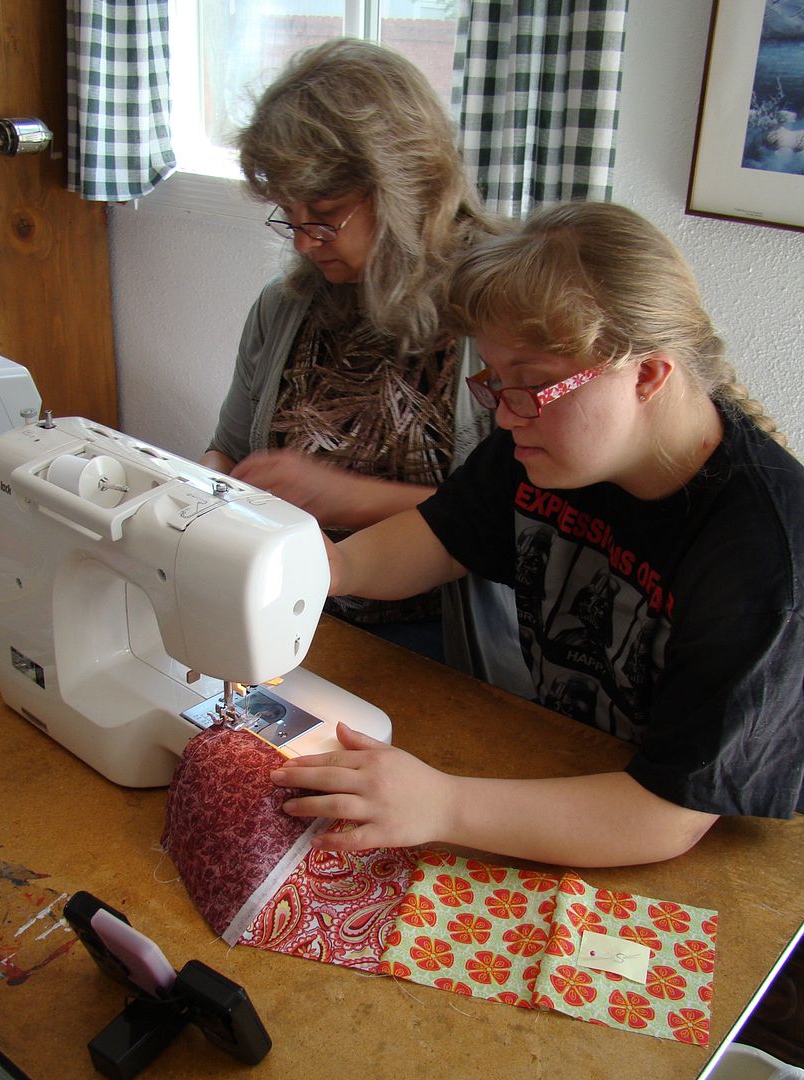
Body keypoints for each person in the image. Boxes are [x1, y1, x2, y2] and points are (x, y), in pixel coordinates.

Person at [267, 201, 804, 868]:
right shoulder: (548, 445)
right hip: (583, 775)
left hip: (716, 855)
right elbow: (441, 536)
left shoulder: (764, 558)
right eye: (495, 379)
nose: (507, 411)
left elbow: (667, 815)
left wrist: (442, 804)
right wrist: (331, 569)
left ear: (647, 374)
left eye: (533, 385)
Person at [202, 38, 521, 677]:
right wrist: (210, 491)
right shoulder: (284, 305)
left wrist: (343, 498)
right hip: (293, 612)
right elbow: (228, 447)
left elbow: (518, 524)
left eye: (322, 217)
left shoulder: (497, 315)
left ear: (405, 187)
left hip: (435, 639)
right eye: (287, 218)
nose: (303, 242)